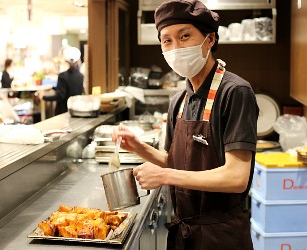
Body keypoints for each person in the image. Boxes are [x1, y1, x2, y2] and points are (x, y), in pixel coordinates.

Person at [111, 1, 259, 249]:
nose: (175, 48)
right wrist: (139, 147)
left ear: (210, 39)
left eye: (185, 36)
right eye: (166, 41)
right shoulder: (179, 99)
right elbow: (175, 161)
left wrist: (165, 177)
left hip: (220, 236)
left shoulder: (235, 92)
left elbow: (236, 177)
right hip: (183, 234)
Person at [42, 46, 84, 115]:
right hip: (75, 110)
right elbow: (70, 88)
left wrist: (43, 97)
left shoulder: (63, 76)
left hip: (63, 113)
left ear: (66, 60)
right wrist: (53, 87)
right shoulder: (80, 76)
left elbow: (60, 96)